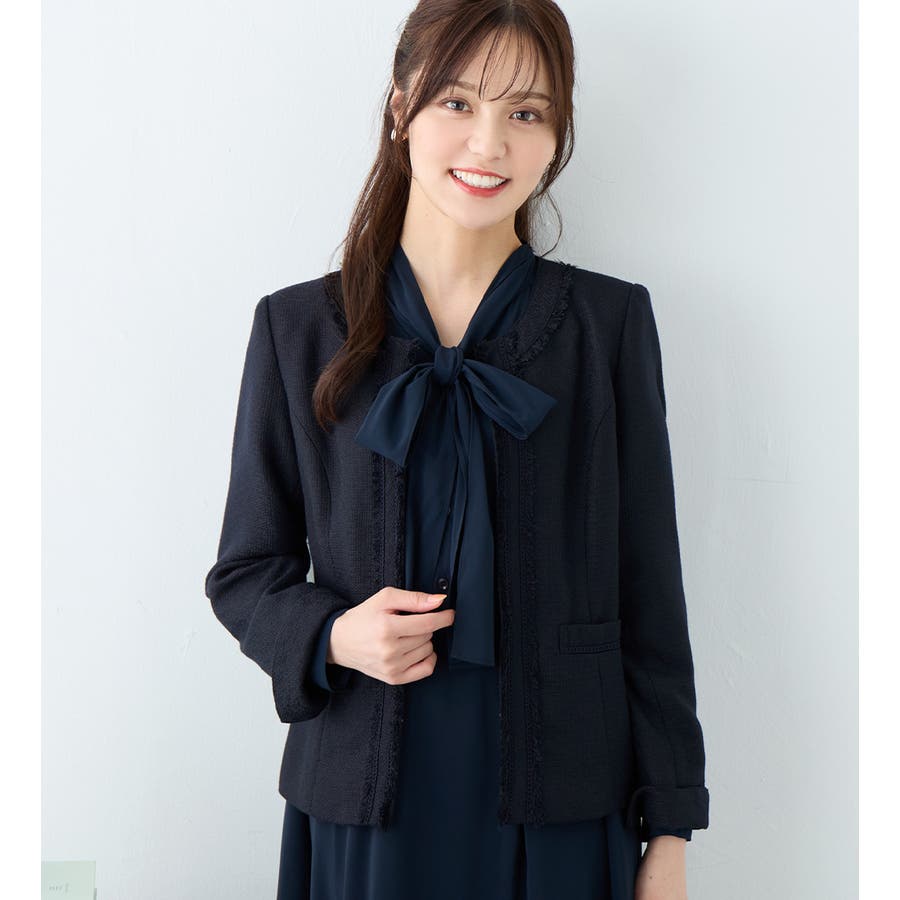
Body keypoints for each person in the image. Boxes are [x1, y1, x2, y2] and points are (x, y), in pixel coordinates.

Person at [205, 2, 709, 898]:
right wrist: (333, 634)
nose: (489, 144)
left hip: (562, 807)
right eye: (458, 103)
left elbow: (650, 594)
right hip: (364, 803)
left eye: (526, 112)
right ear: (401, 107)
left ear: (556, 137)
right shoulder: (297, 329)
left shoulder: (608, 326)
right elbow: (246, 571)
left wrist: (669, 830)